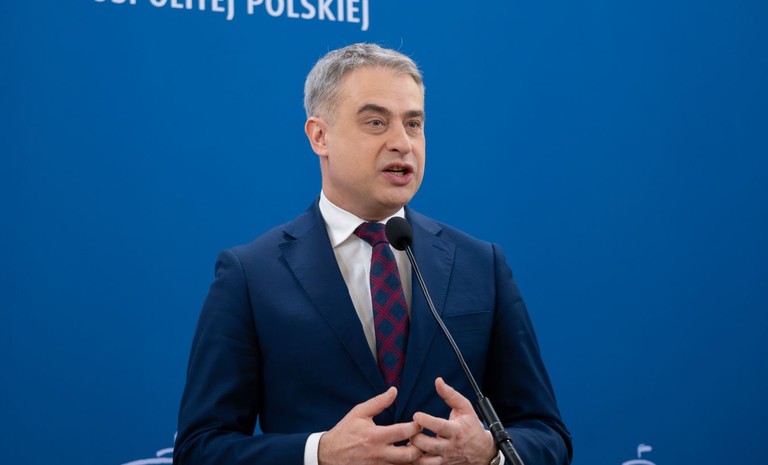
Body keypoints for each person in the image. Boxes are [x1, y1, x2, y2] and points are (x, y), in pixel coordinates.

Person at [174, 43, 572, 465]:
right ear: (320, 136)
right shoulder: (251, 275)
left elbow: (547, 433)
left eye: (413, 124)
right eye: (376, 122)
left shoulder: (481, 264)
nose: (402, 143)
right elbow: (200, 448)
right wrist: (320, 453)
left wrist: (489, 451)